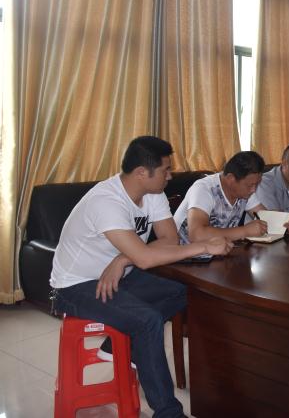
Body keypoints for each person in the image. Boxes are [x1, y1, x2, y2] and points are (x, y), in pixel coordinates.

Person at [50, 136, 233, 418]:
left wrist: (124, 258)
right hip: (75, 286)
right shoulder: (106, 202)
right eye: (165, 170)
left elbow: (169, 240)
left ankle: (121, 345)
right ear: (141, 173)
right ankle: (168, 413)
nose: (170, 176)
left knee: (185, 290)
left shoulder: (153, 194)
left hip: (120, 275)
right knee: (147, 322)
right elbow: (147, 258)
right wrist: (205, 246)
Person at [173, 151, 269, 243]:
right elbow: (197, 235)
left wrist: (277, 221)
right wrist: (245, 231)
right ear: (231, 179)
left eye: (257, 184)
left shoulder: (245, 192)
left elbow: (265, 217)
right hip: (185, 251)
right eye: (250, 185)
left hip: (219, 250)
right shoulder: (204, 189)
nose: (253, 190)